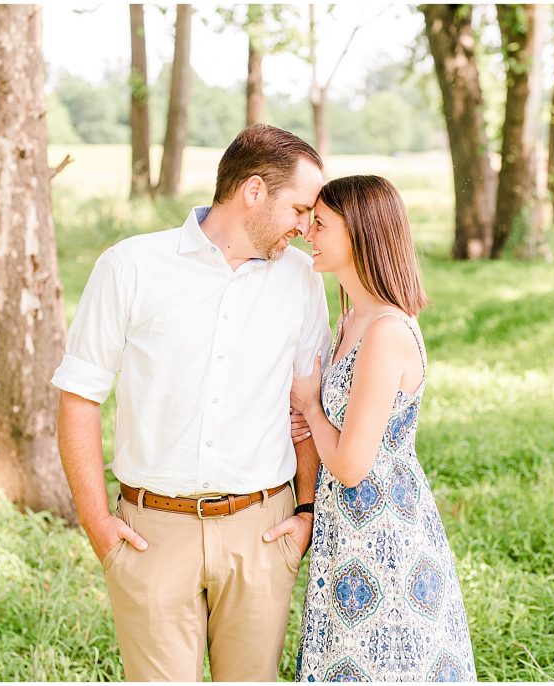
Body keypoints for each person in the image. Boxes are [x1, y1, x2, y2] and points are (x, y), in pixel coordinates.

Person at [51, 124, 330, 681]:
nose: (306, 228)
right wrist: (98, 524)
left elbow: (306, 409)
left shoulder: (302, 279)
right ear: (253, 192)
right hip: (152, 532)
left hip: (263, 532)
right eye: (300, 209)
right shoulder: (130, 266)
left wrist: (304, 513)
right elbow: (79, 396)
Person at [288, 175, 476, 681]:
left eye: (322, 224)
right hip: (348, 531)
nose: (308, 232)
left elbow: (351, 465)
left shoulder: (387, 331)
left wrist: (308, 405)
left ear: (360, 234)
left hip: (382, 535)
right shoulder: (353, 319)